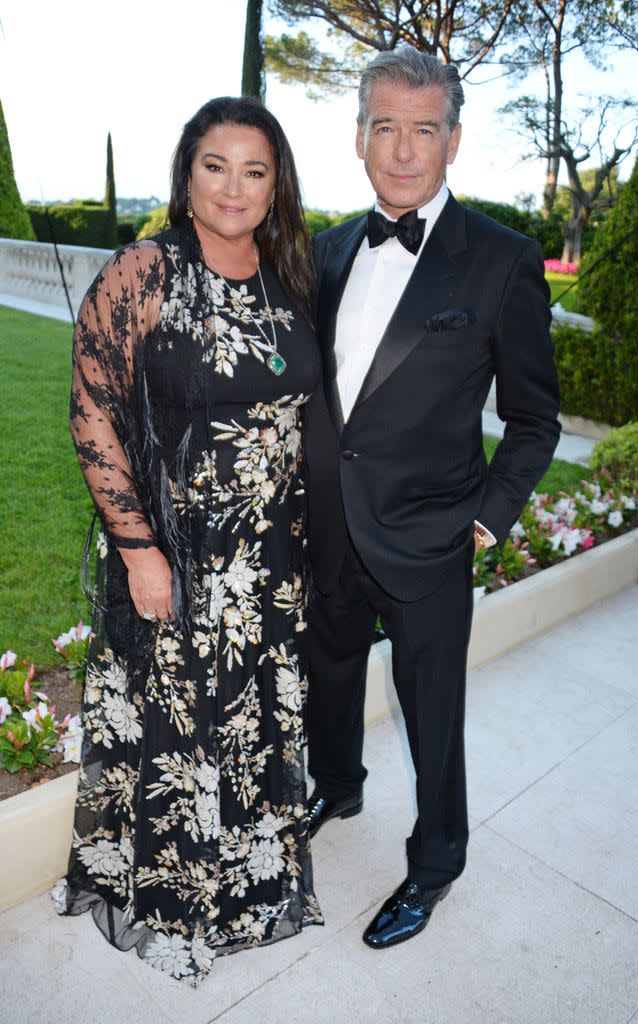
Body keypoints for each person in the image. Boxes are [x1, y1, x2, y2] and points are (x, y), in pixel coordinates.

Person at [52, 97, 323, 985]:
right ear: (187, 173)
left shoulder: (291, 276)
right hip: (179, 553)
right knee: (176, 727)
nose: (235, 187)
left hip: (270, 558)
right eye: (217, 165)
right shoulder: (144, 270)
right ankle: (173, 899)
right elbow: (91, 408)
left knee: (250, 721)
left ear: (276, 182)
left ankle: (244, 881)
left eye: (255, 169)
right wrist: (137, 550)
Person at [304, 47, 561, 950]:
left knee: (432, 717)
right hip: (327, 529)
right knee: (326, 679)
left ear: (452, 140)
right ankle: (335, 786)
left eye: (423, 130)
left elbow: (533, 419)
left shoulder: (500, 261)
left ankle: (435, 862)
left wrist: (486, 519)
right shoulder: (323, 250)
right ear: (359, 138)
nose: (403, 151)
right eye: (386, 128)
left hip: (431, 537)